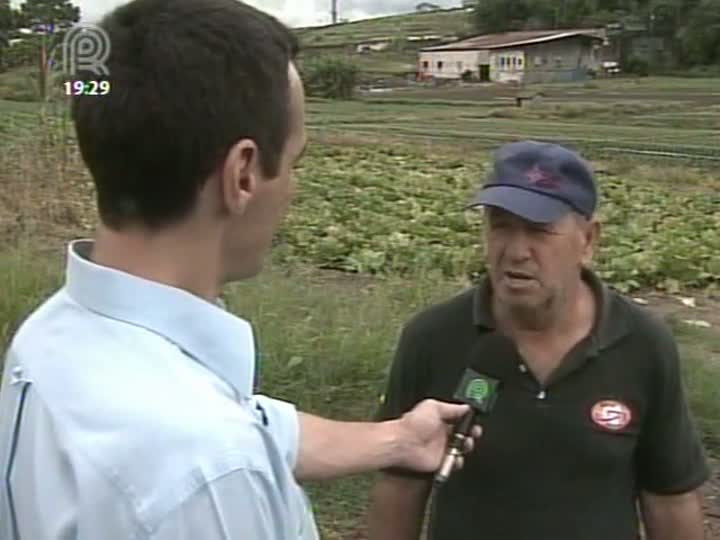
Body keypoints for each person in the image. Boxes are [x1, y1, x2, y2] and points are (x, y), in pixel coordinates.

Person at [0, 1, 482, 539]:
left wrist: (400, 439)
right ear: (243, 175)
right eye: (295, 163)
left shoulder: (51, 336)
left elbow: (254, 424)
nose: (295, 189)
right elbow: (218, 445)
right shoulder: (209, 471)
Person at [367, 140, 711, 540]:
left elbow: (669, 498)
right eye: (500, 226)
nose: (515, 252)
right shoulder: (433, 337)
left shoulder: (643, 344)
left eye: (538, 231)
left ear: (588, 241)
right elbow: (399, 488)